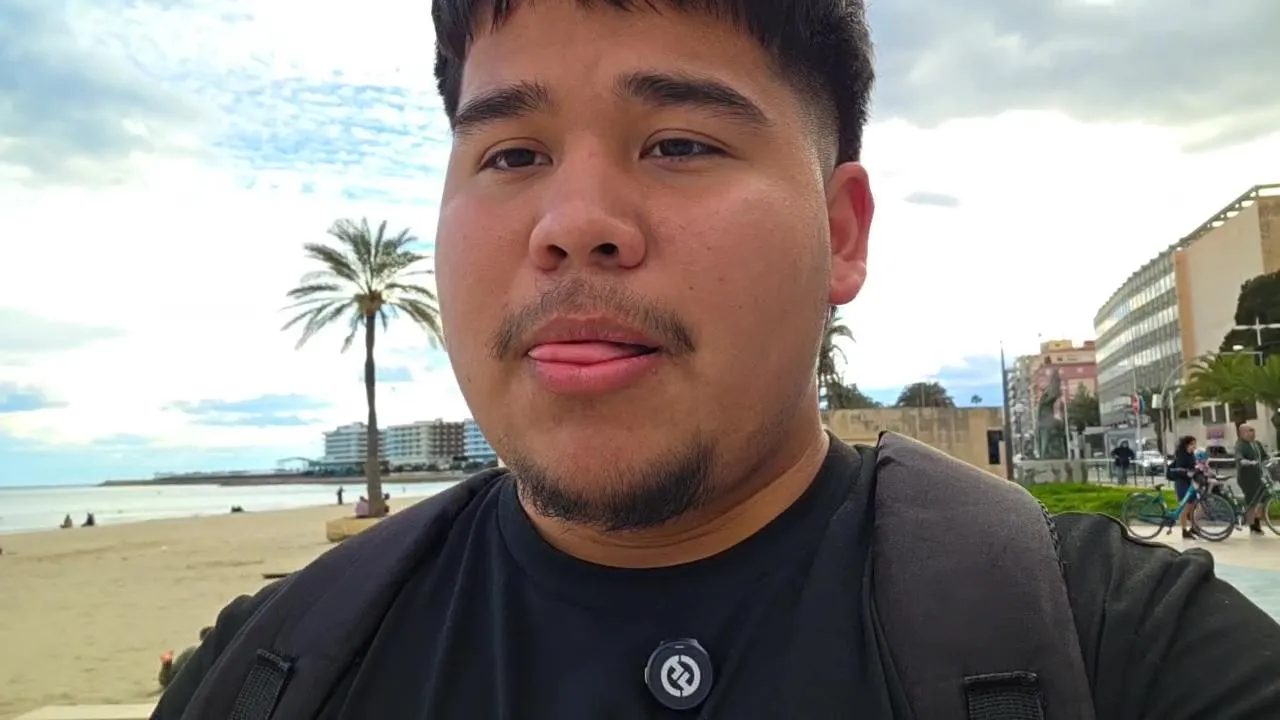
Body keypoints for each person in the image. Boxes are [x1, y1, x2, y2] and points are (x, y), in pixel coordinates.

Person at [151, 1, 1280, 717]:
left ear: (839, 233)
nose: (574, 223)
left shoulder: (1114, 648)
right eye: (512, 155)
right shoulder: (274, 667)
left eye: (679, 143)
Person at [1234, 425, 1270, 536]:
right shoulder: (1240, 445)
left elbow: (1265, 457)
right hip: (1247, 478)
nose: (1252, 433)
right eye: (1249, 431)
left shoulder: (1256, 444)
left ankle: (1256, 521)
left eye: (1253, 431)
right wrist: (1246, 462)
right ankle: (1252, 526)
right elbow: (1239, 458)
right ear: (1242, 433)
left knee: (1264, 499)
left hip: (1258, 476)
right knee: (1251, 502)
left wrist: (1270, 459)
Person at [1167, 436, 1202, 540]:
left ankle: (1193, 527)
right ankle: (1184, 530)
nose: (1194, 446)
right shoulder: (1181, 455)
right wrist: (1187, 472)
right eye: (1192, 444)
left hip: (1190, 483)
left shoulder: (1191, 455)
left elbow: (1194, 467)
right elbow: (1180, 469)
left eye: (1195, 444)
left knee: (1195, 506)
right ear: (1187, 445)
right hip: (1182, 483)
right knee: (1184, 507)